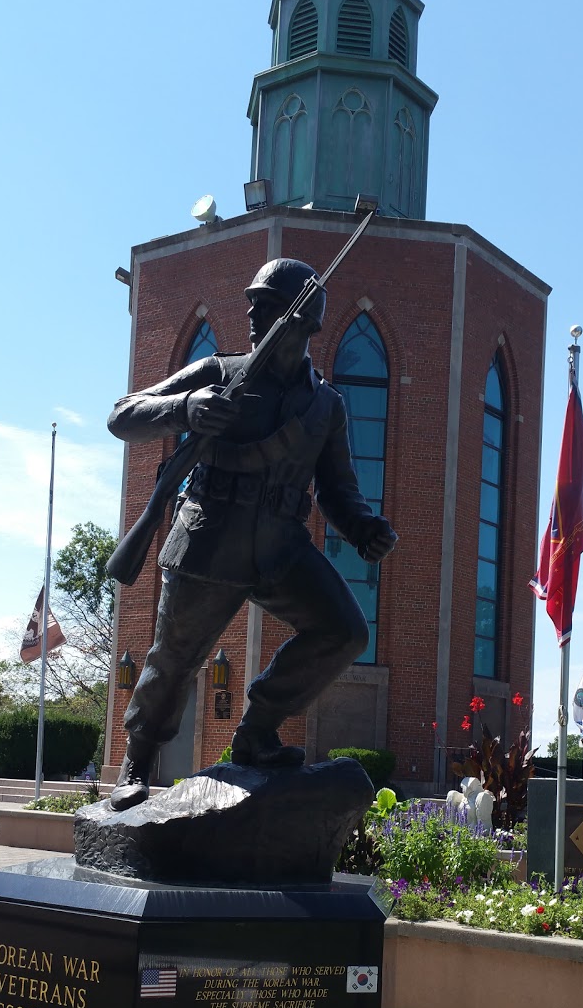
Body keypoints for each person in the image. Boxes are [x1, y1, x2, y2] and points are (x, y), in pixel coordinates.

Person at [106, 257, 397, 810]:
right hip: (210, 537)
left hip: (281, 546)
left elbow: (339, 491)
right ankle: (138, 760)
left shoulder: (326, 405)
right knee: (175, 657)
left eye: (268, 306)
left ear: (305, 319)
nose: (252, 314)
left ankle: (257, 730)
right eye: (252, 303)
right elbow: (124, 414)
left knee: (344, 632)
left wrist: (364, 528)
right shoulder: (220, 372)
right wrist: (185, 407)